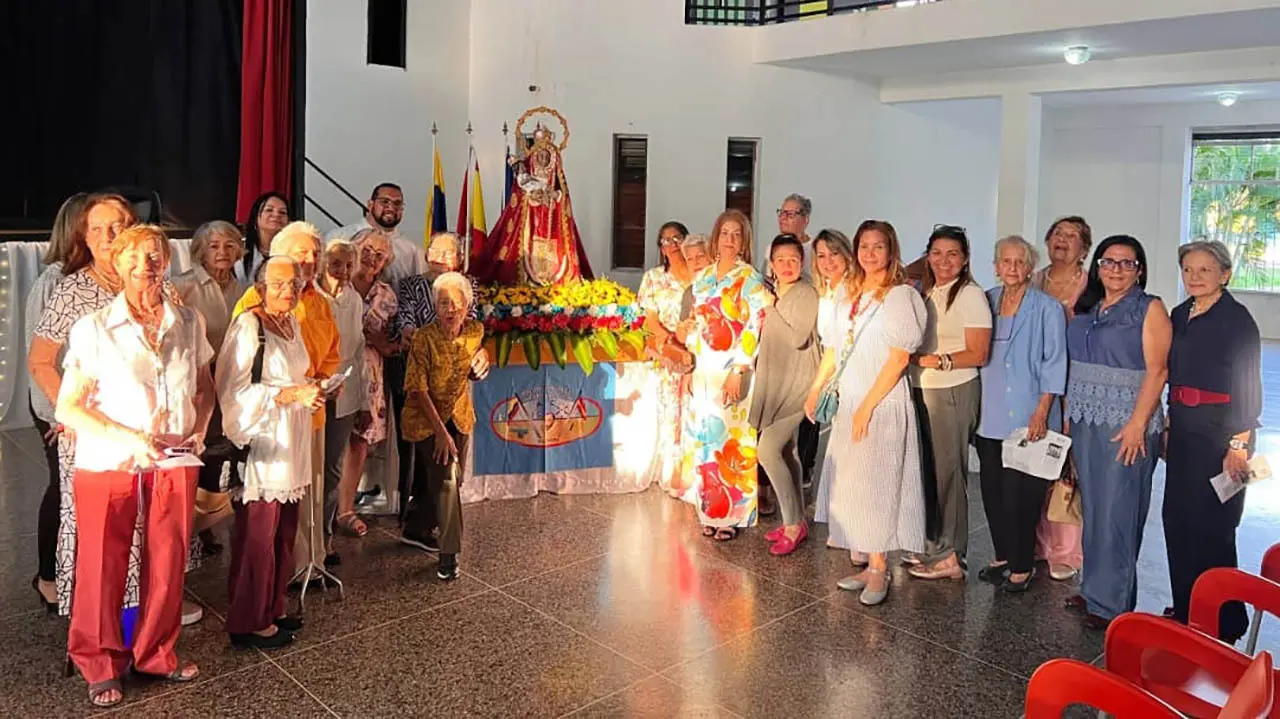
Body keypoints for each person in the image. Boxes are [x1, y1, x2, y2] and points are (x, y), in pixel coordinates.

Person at [56, 224, 214, 708]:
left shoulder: (188, 322)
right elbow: (69, 409)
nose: (147, 263)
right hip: (110, 457)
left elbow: (204, 388)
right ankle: (98, 660)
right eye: (136, 256)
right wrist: (130, 437)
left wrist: (200, 428)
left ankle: (155, 651)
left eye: (156, 255)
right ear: (118, 264)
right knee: (103, 559)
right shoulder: (94, 328)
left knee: (168, 556)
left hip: (174, 456)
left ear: (167, 261)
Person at [805, 220, 927, 606]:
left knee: (879, 485)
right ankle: (867, 560)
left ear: (891, 251)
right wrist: (814, 391)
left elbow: (899, 358)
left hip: (881, 401)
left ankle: (880, 567)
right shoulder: (852, 294)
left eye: (879, 247)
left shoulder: (901, 297)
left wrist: (867, 407)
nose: (870, 254)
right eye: (864, 247)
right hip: (851, 398)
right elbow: (833, 351)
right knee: (854, 484)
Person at [1065, 235, 1170, 630]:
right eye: (1109, 262)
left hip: (1127, 423)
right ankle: (1094, 591)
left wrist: (1138, 425)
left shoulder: (1149, 308)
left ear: (1139, 269)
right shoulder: (1089, 307)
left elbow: (1158, 370)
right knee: (1094, 509)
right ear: (1097, 266)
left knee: (1119, 512)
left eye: (1127, 263)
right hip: (1087, 418)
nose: (1117, 270)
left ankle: (1114, 607)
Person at [218, 256, 323, 650]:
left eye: (294, 284)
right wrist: (290, 394)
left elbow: (294, 375)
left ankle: (273, 606)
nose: (288, 290)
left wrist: (313, 386)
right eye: (278, 284)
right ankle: (248, 620)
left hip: (292, 438)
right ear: (259, 287)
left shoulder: (292, 322)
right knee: (257, 536)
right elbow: (231, 389)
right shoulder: (249, 325)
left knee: (283, 532)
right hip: (263, 442)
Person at [1163, 240, 1261, 643]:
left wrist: (1239, 443)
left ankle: (1224, 619)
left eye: (1205, 270)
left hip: (1223, 432)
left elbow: (1248, 384)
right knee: (1178, 520)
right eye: (1188, 269)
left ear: (1224, 274)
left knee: (1214, 528)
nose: (1195, 277)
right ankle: (1187, 607)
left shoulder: (1238, 320)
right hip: (1184, 427)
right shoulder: (1180, 314)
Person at [232, 222, 341, 577]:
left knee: (304, 502)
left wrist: (324, 383)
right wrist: (294, 392)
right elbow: (239, 376)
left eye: (315, 254)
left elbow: (330, 354)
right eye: (301, 254)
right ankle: (266, 596)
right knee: (267, 518)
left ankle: (304, 569)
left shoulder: (317, 304)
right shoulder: (255, 306)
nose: (310, 261)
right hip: (269, 429)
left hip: (310, 416)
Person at [975, 236, 1067, 593]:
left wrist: (1042, 411)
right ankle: (1002, 556)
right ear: (996, 266)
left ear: (1030, 267)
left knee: (1021, 497)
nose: (1012, 268)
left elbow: (1054, 362)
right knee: (992, 493)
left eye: (1020, 262)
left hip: (1030, 415)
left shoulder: (1047, 308)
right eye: (1005, 261)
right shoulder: (987, 301)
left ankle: (1022, 565)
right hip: (989, 415)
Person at [676, 209, 772, 541]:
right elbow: (697, 322)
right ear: (716, 237)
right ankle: (708, 510)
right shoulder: (702, 278)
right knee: (705, 440)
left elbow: (754, 325)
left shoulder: (751, 278)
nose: (730, 239)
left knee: (731, 442)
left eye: (737, 234)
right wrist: (688, 347)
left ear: (744, 239)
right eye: (725, 233)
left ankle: (731, 515)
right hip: (704, 368)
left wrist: (740, 368)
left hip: (733, 368)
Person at [908, 226, 992, 581]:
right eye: (937, 253)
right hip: (924, 388)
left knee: (950, 472)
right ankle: (933, 545)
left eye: (953, 254)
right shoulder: (930, 291)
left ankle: (951, 554)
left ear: (966, 258)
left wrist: (936, 360)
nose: (944, 261)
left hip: (953, 390)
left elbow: (979, 352)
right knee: (928, 471)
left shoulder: (970, 295)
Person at [394, 231, 488, 525]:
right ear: (426, 255)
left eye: (451, 254)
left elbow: (476, 327)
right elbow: (406, 325)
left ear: (460, 259)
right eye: (438, 252)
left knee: (449, 467)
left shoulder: (468, 287)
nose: (444, 259)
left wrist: (483, 353)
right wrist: (428, 341)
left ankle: (427, 524)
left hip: (456, 389)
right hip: (418, 379)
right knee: (423, 461)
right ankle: (424, 526)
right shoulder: (411, 285)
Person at [24, 191, 89, 612]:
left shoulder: (101, 279)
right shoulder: (52, 282)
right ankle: (48, 577)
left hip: (94, 411)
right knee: (62, 491)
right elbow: (41, 356)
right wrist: (59, 412)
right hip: (57, 409)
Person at [401, 272, 485, 580]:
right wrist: (440, 433)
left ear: (467, 305)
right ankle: (449, 556)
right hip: (425, 418)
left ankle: (415, 525)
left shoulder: (476, 331)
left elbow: (476, 358)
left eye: (455, 303)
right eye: (442, 303)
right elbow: (417, 388)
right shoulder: (424, 338)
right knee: (448, 479)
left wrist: (482, 359)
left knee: (452, 480)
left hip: (459, 415)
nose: (449, 309)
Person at [1032, 215, 1092, 581]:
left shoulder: (1091, 286)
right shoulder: (1034, 279)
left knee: (1068, 465)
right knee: (1037, 458)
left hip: (1074, 385)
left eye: (1072, 236)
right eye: (1057, 233)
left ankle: (1067, 549)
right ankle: (1038, 542)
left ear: (1084, 248)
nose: (1062, 240)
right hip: (1036, 383)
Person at [752, 234, 820, 555]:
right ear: (772, 264)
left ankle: (793, 522)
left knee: (767, 450)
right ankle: (797, 519)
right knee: (788, 452)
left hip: (798, 383)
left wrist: (770, 309)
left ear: (802, 262)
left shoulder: (805, 293)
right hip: (778, 381)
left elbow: (796, 338)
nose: (787, 265)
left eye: (793, 259)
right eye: (781, 260)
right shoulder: (778, 291)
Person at [473, 123, 594, 285]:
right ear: (535, 156)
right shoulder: (527, 176)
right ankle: (527, 279)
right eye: (540, 156)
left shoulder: (556, 175)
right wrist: (531, 197)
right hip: (531, 222)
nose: (543, 159)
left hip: (552, 227)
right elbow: (520, 196)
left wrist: (555, 196)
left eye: (546, 156)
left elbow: (564, 196)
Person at [337, 229, 398, 538]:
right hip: (334, 368)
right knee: (330, 439)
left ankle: (345, 510)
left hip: (370, 372)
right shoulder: (334, 282)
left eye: (380, 254)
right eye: (367, 249)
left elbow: (392, 343)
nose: (372, 257)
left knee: (359, 441)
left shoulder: (387, 295)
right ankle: (322, 507)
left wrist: (380, 342)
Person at [316, 240, 370, 558]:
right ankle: (304, 543)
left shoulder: (353, 298)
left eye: (349, 265)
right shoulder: (311, 295)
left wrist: (362, 400)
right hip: (314, 394)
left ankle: (325, 539)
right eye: (336, 264)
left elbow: (359, 352)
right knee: (310, 469)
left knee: (333, 469)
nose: (344, 272)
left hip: (345, 394)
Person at [638, 221, 695, 498]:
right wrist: (675, 345)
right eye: (665, 241)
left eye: (677, 239)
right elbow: (650, 321)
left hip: (700, 356)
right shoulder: (653, 278)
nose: (671, 245)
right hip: (669, 355)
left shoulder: (702, 275)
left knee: (696, 416)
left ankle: (696, 475)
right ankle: (674, 475)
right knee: (672, 416)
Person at [810, 229, 855, 538]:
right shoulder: (825, 289)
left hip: (853, 376)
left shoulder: (853, 290)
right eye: (822, 255)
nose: (828, 261)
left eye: (834, 254)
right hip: (834, 374)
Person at [326, 182, 427, 284]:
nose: (391, 208)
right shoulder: (339, 238)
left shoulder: (412, 251)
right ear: (370, 205)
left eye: (397, 203)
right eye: (385, 202)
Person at [238, 192, 290, 284]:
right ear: (255, 217)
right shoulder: (239, 249)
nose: (276, 215)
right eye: (269, 210)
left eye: (282, 212)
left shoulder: (293, 251)